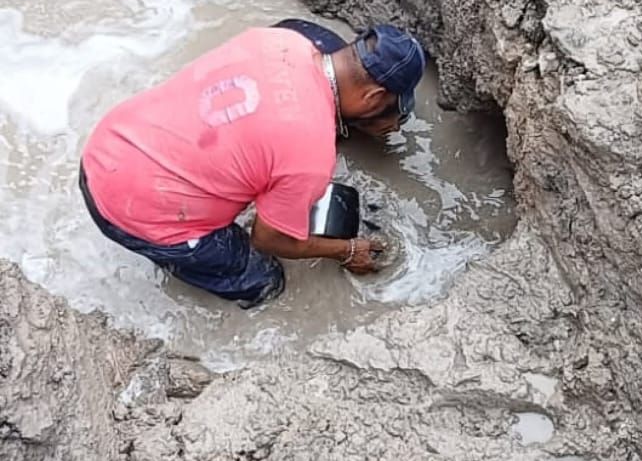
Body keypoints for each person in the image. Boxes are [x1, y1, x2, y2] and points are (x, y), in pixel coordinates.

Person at [79, 21, 426, 308]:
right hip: (127, 211)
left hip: (107, 144)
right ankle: (189, 259)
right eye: (397, 111)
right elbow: (268, 239)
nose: (395, 122)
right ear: (374, 98)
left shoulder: (280, 41)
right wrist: (347, 251)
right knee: (264, 281)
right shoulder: (310, 154)